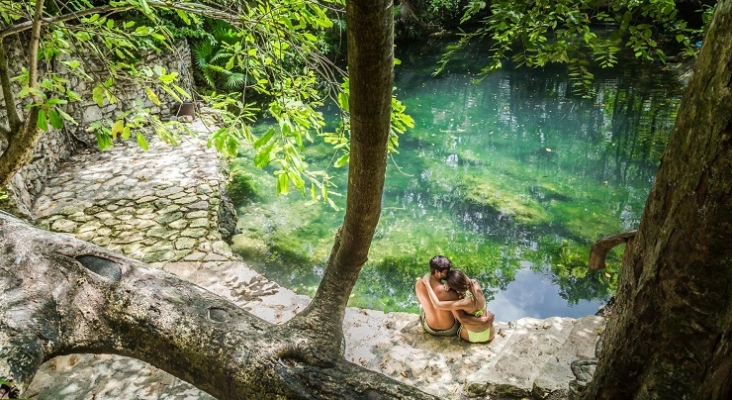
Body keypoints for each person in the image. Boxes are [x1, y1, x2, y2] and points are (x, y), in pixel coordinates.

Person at [421, 269, 495, 343]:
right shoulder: (475, 284)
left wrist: (427, 284)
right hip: (489, 334)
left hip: (470, 336)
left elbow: (437, 305)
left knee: (454, 308)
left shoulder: (464, 302)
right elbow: (463, 277)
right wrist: (451, 284)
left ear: (457, 289)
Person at [415, 255, 459, 336]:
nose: (448, 274)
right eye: (446, 272)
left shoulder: (418, 284)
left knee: (421, 307)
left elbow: (420, 300)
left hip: (430, 328)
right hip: (450, 330)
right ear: (437, 272)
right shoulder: (447, 291)